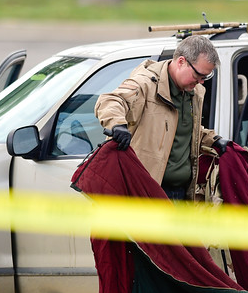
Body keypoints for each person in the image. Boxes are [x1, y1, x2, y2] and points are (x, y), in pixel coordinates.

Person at [94, 35, 229, 200]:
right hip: (145, 193)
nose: (201, 82)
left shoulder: (196, 92)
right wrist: (118, 125)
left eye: (205, 78)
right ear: (181, 62)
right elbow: (110, 100)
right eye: (198, 75)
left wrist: (213, 140)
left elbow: (184, 130)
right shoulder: (145, 83)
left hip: (181, 194)